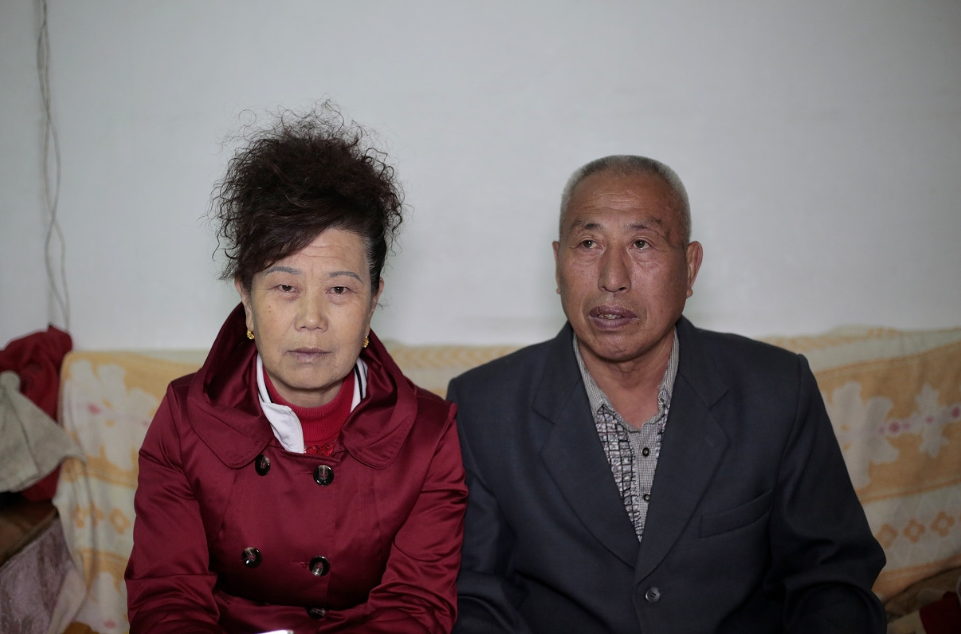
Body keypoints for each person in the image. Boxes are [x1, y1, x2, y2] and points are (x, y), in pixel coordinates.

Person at [448, 155, 886, 633]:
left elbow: (831, 578)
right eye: (589, 243)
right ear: (557, 266)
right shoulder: (484, 408)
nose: (612, 278)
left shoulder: (776, 390)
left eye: (641, 243)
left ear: (690, 267)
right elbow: (476, 599)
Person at [125, 106, 467, 634]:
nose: (311, 319)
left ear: (373, 300)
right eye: (285, 287)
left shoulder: (429, 435)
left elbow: (414, 609)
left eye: (339, 289)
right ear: (246, 297)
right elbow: (168, 597)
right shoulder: (184, 419)